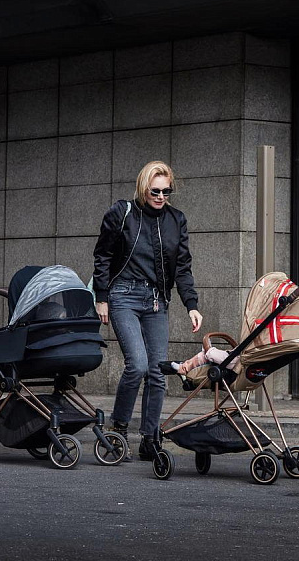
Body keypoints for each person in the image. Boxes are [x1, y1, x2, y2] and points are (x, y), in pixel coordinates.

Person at [92, 160, 203, 461]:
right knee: (138, 365)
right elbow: (103, 255)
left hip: (156, 301)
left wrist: (191, 305)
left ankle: (150, 438)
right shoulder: (122, 213)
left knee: (158, 371)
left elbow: (183, 267)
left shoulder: (176, 220)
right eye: (155, 191)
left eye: (167, 191)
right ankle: (118, 428)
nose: (161, 197)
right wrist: (101, 297)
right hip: (123, 296)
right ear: (144, 188)